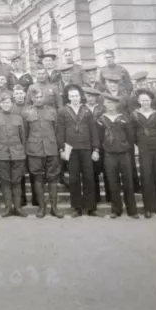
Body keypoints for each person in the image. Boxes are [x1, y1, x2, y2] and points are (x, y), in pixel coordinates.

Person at [57, 84, 100, 217]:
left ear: (80, 96)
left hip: (86, 148)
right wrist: (61, 150)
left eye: (76, 95)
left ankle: (91, 207)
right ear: (68, 97)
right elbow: (60, 132)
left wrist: (95, 149)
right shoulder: (63, 111)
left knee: (89, 177)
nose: (74, 98)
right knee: (74, 178)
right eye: (72, 96)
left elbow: (94, 131)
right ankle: (77, 207)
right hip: (70, 148)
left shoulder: (87, 110)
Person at [23, 88, 63, 218]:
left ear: (45, 98)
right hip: (35, 150)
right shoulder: (27, 112)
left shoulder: (52, 111)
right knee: (38, 178)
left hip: (51, 149)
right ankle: (42, 207)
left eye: (41, 97)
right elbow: (25, 133)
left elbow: (57, 130)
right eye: (36, 97)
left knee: (53, 178)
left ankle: (54, 208)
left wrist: (59, 147)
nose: (39, 99)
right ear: (32, 99)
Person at [97, 93, 138, 219]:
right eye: (108, 103)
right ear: (104, 104)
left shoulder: (124, 117)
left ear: (117, 105)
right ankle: (116, 210)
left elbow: (131, 136)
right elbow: (99, 138)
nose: (110, 106)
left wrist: (127, 148)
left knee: (128, 182)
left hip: (124, 153)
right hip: (109, 155)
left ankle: (132, 210)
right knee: (112, 182)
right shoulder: (101, 119)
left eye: (113, 103)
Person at [0, 93, 27, 218]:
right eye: (3, 102)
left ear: (12, 104)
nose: (6, 105)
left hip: (17, 153)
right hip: (1, 153)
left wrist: (23, 152)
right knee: (5, 182)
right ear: (0, 104)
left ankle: (18, 208)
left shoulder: (18, 118)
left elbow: (23, 137)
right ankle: (8, 208)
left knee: (16, 181)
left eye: (8, 102)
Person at [131, 89, 156, 218]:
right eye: (143, 100)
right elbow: (133, 135)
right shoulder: (134, 115)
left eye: (147, 100)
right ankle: (149, 208)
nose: (145, 102)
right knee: (146, 177)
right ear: (139, 101)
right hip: (144, 150)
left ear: (151, 101)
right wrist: (141, 145)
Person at [84, 87, 109, 203]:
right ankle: (95, 197)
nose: (90, 99)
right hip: (88, 144)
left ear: (96, 98)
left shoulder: (103, 109)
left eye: (93, 96)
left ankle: (110, 196)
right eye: (88, 96)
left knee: (106, 170)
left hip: (103, 142)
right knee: (92, 171)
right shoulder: (82, 109)